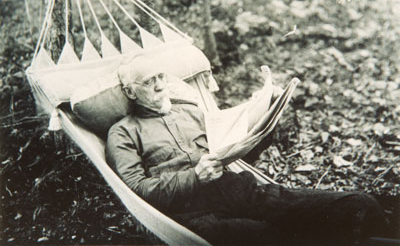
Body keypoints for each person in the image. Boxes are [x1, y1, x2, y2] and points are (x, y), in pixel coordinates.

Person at [106, 57, 386, 246]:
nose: (159, 85)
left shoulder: (190, 111)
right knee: (272, 237)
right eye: (148, 82)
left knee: (358, 205)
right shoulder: (123, 132)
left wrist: (263, 121)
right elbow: (137, 189)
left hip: (241, 190)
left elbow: (235, 151)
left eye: (160, 76)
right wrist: (194, 176)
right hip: (192, 212)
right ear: (130, 92)